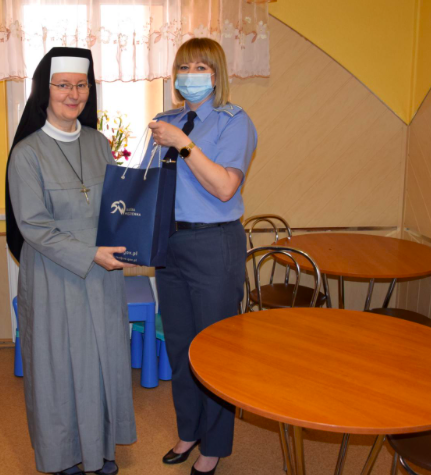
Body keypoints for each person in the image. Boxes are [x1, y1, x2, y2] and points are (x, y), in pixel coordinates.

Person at [5, 47, 136, 475]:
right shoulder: (27, 153)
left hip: (102, 275)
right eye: (63, 85)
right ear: (45, 90)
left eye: (81, 85)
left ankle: (100, 451)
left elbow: (117, 206)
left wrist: (135, 234)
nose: (73, 94)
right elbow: (33, 225)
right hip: (54, 274)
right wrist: (90, 254)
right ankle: (63, 458)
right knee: (58, 369)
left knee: (102, 362)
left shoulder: (99, 143)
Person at [143, 38, 257, 475]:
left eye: (200, 67)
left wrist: (184, 144)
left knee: (216, 352)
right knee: (179, 345)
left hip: (213, 243)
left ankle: (214, 446)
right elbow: (150, 181)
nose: (190, 74)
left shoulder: (234, 121)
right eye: (183, 67)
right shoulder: (166, 120)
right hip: (169, 243)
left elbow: (225, 187)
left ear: (216, 73)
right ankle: (188, 431)